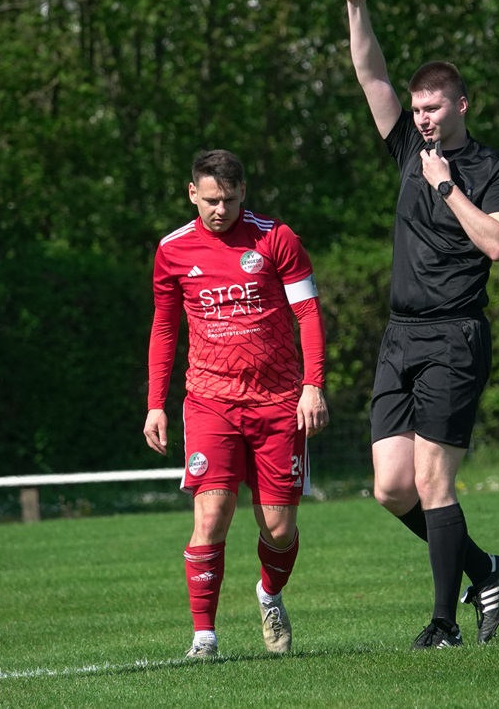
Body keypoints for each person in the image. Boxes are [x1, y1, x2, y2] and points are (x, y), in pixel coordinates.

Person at [344, 0, 499, 648]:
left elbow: (498, 244)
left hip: (455, 336)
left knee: (432, 479)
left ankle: (445, 623)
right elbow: (371, 76)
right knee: (392, 488)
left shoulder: (494, 168)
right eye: (417, 108)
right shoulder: (405, 150)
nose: (422, 117)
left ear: (462, 105)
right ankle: (486, 568)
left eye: (434, 107)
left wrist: (447, 186)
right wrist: (356, 7)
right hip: (401, 336)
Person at [143, 149, 329, 659]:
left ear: (243, 192)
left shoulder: (277, 238)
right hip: (211, 401)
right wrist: (156, 403)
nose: (219, 210)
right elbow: (165, 328)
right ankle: (204, 637)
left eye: (228, 199)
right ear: (192, 194)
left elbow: (308, 313)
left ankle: (269, 594)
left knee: (279, 529)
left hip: (278, 401)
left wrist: (313, 385)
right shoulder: (173, 250)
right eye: (209, 200)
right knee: (211, 515)